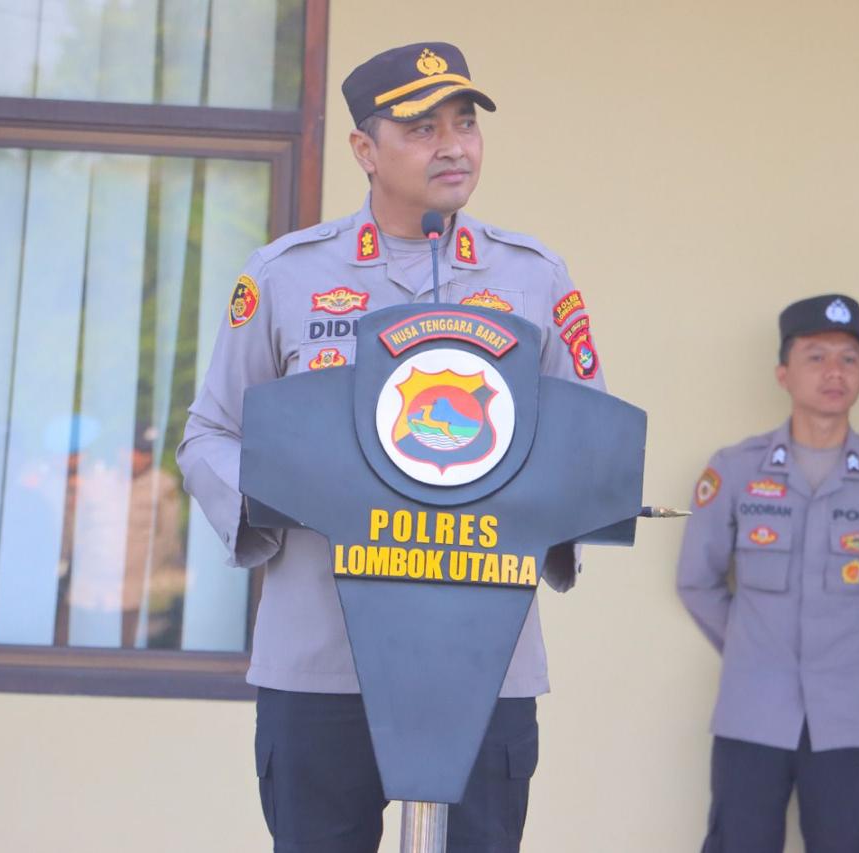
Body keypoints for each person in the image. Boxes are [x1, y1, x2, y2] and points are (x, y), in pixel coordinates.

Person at [178, 41, 605, 852]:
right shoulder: (287, 276)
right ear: (364, 150)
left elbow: (590, 442)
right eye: (421, 128)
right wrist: (276, 491)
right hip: (323, 654)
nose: (453, 146)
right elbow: (210, 434)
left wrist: (550, 517)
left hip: (483, 655)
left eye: (465, 123)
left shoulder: (534, 278)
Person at [676, 294, 859, 853]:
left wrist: (845, 635)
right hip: (750, 714)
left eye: (849, 358)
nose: (835, 372)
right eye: (816, 357)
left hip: (846, 722)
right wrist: (751, 640)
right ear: (783, 373)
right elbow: (697, 580)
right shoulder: (735, 470)